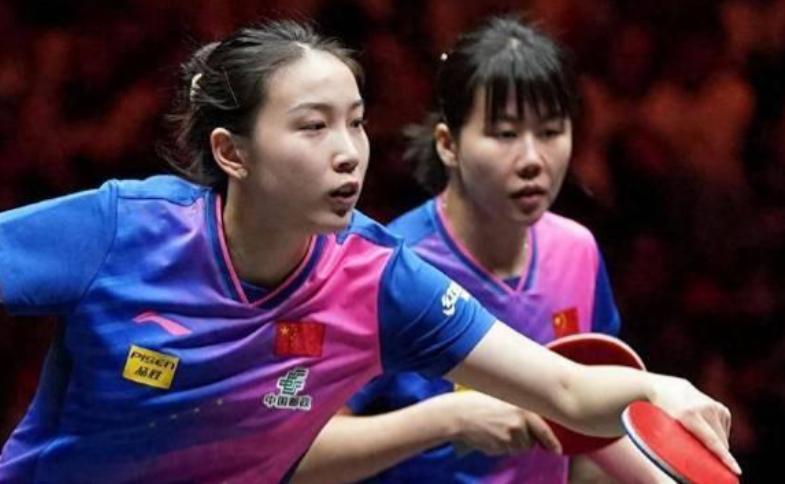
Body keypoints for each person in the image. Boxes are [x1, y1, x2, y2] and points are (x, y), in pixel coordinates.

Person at [0, 19, 737, 484]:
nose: (349, 151)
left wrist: (658, 390)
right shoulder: (125, 228)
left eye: (355, 122)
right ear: (232, 151)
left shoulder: (380, 280)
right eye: (313, 126)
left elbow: (567, 391)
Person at [291, 17, 707, 484]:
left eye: (550, 131)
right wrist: (447, 419)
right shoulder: (384, 270)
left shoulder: (578, 251)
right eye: (505, 134)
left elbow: (583, 428)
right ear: (448, 144)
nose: (532, 159)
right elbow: (299, 456)